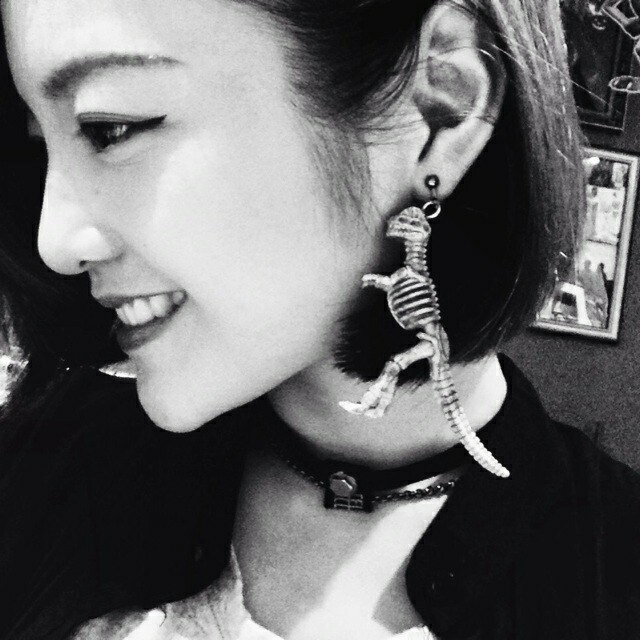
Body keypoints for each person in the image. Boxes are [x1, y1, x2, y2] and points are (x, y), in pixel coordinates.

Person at [0, 1, 639, 639]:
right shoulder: (40, 470)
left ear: (438, 109)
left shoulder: (611, 574)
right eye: (39, 143)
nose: (54, 243)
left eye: (111, 127)